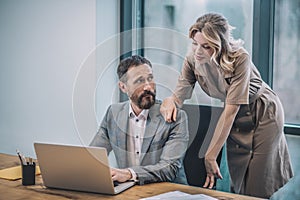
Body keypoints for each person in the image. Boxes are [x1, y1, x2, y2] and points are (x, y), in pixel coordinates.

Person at [160, 13, 293, 198]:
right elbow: (179, 94)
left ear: (219, 45)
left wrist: (211, 155)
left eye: (206, 46)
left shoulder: (240, 58)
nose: (198, 51)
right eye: (195, 43)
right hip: (238, 117)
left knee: (257, 185)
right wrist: (169, 101)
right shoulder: (192, 59)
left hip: (263, 113)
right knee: (239, 180)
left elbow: (230, 111)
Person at [90, 55, 189, 185]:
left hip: (169, 192)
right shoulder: (113, 113)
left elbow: (169, 168)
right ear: (123, 87)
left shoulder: (176, 117)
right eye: (139, 81)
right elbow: (93, 156)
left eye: (150, 78)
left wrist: (129, 174)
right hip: (130, 192)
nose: (148, 87)